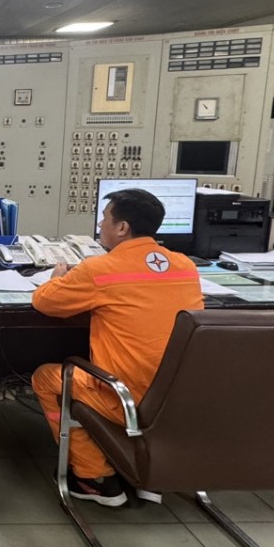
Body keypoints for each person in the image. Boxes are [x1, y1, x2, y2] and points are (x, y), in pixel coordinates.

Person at [31, 188, 203, 507]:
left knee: (47, 377)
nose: (100, 224)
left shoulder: (102, 269)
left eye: (106, 218)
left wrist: (54, 278)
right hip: (177, 397)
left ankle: (94, 476)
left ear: (122, 228)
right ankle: (151, 471)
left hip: (124, 396)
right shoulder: (185, 266)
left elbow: (46, 302)